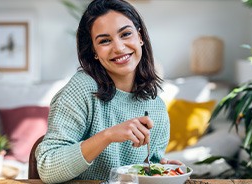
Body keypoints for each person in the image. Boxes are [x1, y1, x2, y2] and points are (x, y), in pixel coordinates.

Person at [36, 0, 180, 183]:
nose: (119, 48)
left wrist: (162, 170)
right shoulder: (81, 89)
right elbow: (48, 168)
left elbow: (147, 168)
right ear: (94, 51)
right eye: (104, 41)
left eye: (126, 34)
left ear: (140, 37)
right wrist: (108, 135)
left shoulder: (156, 107)